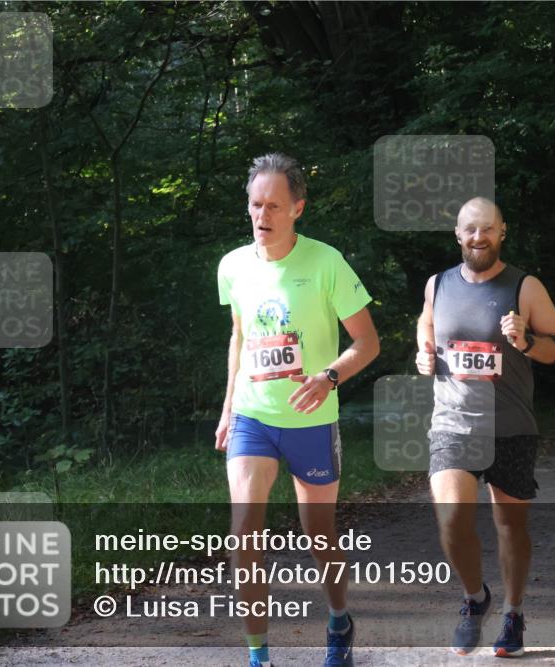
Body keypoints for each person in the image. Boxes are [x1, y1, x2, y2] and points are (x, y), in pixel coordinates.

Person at [216, 153, 380, 667]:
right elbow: (239, 337)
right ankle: (258, 656)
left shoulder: (326, 263)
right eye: (255, 204)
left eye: (273, 206)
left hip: (311, 419)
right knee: (244, 532)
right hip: (253, 417)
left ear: (297, 208)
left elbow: (368, 343)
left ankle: (339, 619)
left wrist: (328, 377)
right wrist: (228, 407)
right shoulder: (233, 266)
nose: (261, 215)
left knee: (319, 534)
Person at [415, 197, 555, 658]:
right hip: (453, 424)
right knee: (451, 519)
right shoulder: (438, 284)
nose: (478, 237)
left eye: (487, 229)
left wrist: (527, 341)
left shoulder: (525, 286)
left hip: (511, 426)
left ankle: (513, 612)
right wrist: (424, 351)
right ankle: (474, 598)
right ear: (458, 235)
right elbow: (426, 324)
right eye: (470, 229)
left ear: (502, 232)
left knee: (510, 526)